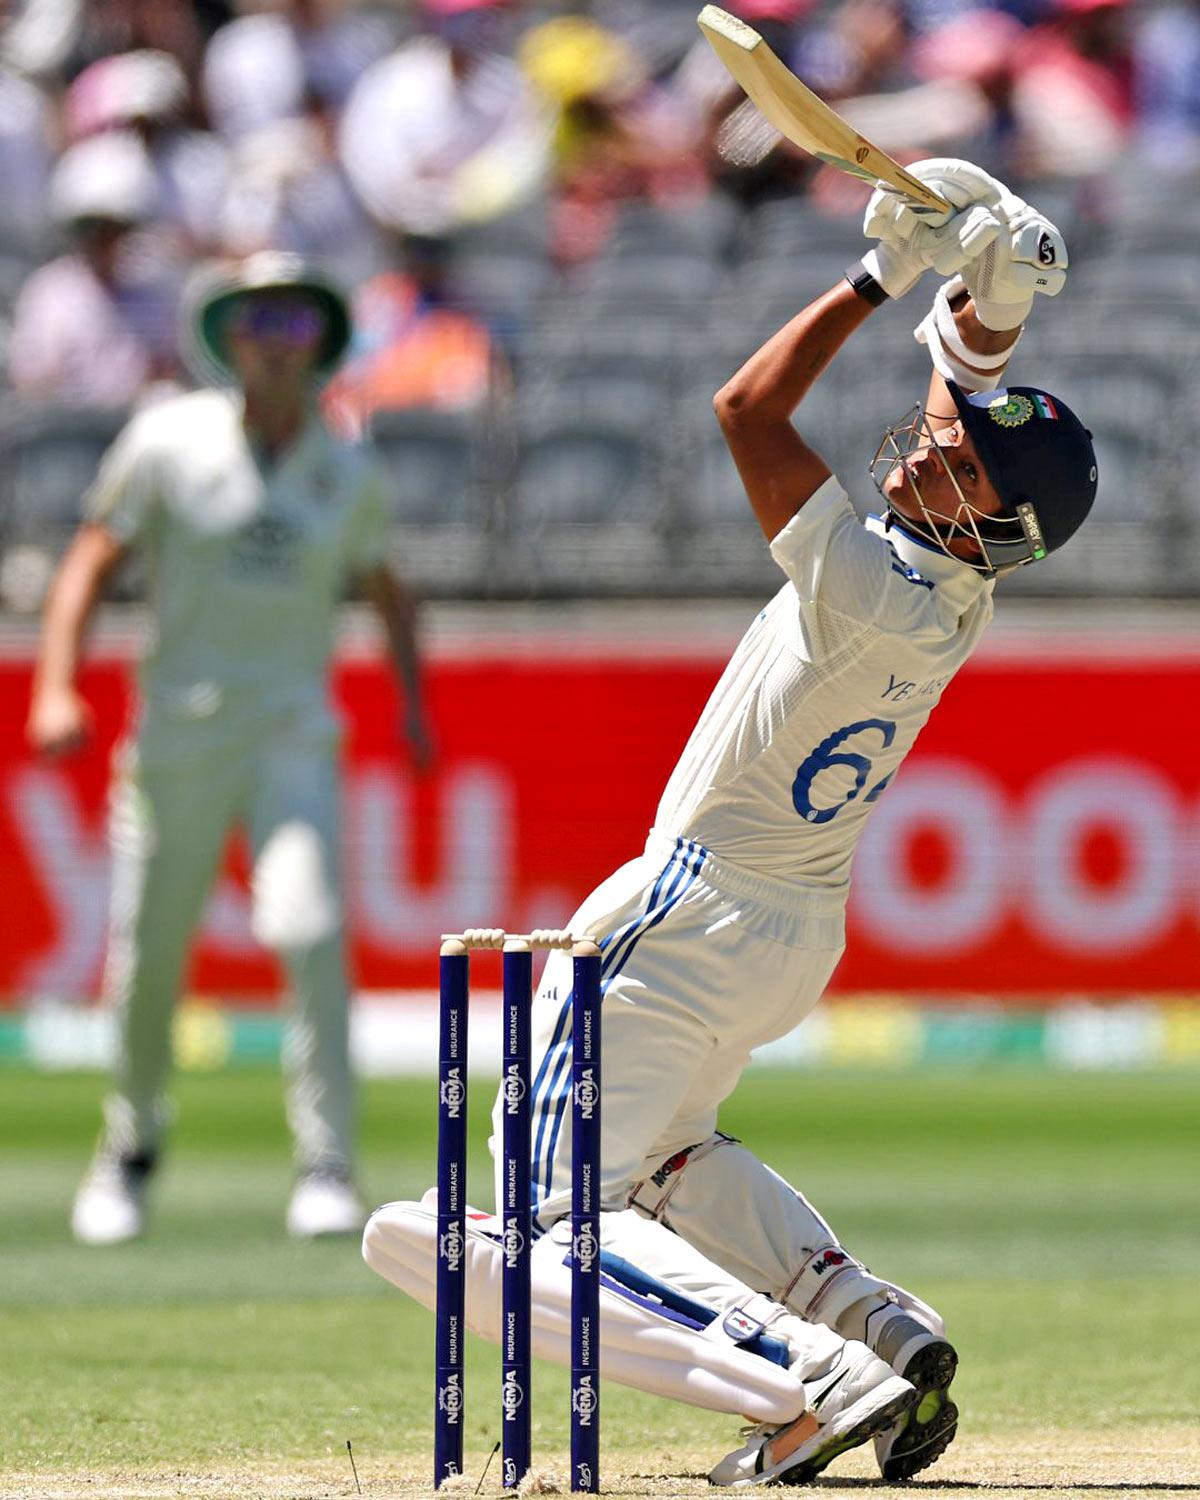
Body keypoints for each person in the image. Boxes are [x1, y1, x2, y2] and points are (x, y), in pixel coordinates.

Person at [363, 160, 1097, 1485]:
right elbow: (965, 404)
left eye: (968, 461)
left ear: (993, 516)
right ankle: (879, 1325)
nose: (935, 443)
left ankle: (813, 1379)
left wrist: (881, 273)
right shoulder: (953, 582)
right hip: (790, 932)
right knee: (663, 1163)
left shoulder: (867, 587)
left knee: (548, 1206)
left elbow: (746, 409)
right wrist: (995, 298)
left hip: (693, 908)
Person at [27, 253, 433, 1244]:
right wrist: (53, 684)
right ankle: (128, 1151)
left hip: (293, 732)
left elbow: (386, 588)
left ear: (319, 344)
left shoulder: (346, 469)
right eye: (255, 322)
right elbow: (90, 557)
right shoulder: (167, 440)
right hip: (176, 737)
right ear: (226, 339)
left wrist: (414, 708)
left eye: (293, 323)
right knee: (147, 961)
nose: (272, 342)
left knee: (310, 928)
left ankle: (327, 1162)